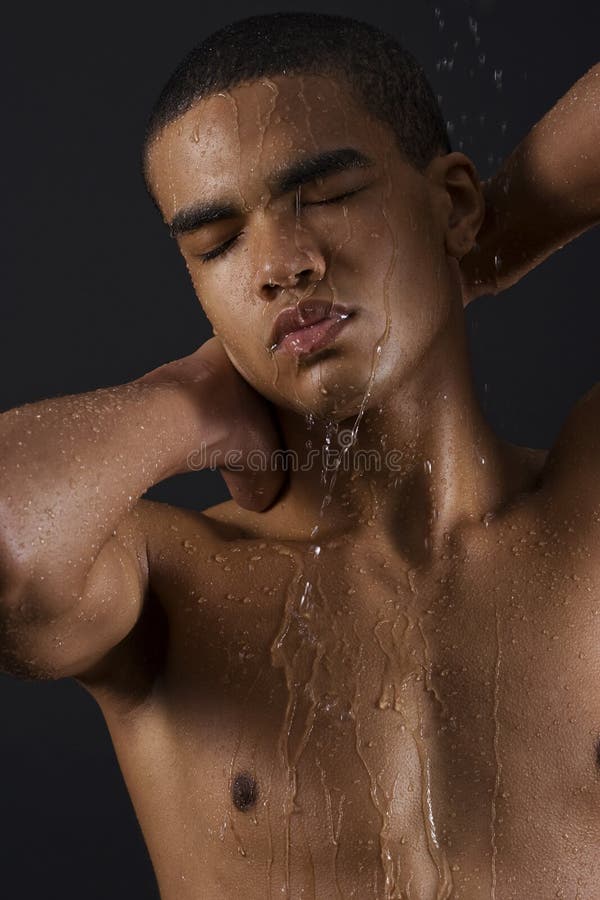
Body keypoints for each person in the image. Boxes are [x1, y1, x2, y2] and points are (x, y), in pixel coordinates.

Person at [0, 11, 598, 898]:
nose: (281, 263)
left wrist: (487, 246)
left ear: (454, 201)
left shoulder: (585, 509)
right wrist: (185, 406)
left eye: (326, 195)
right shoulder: (173, 582)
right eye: (218, 242)